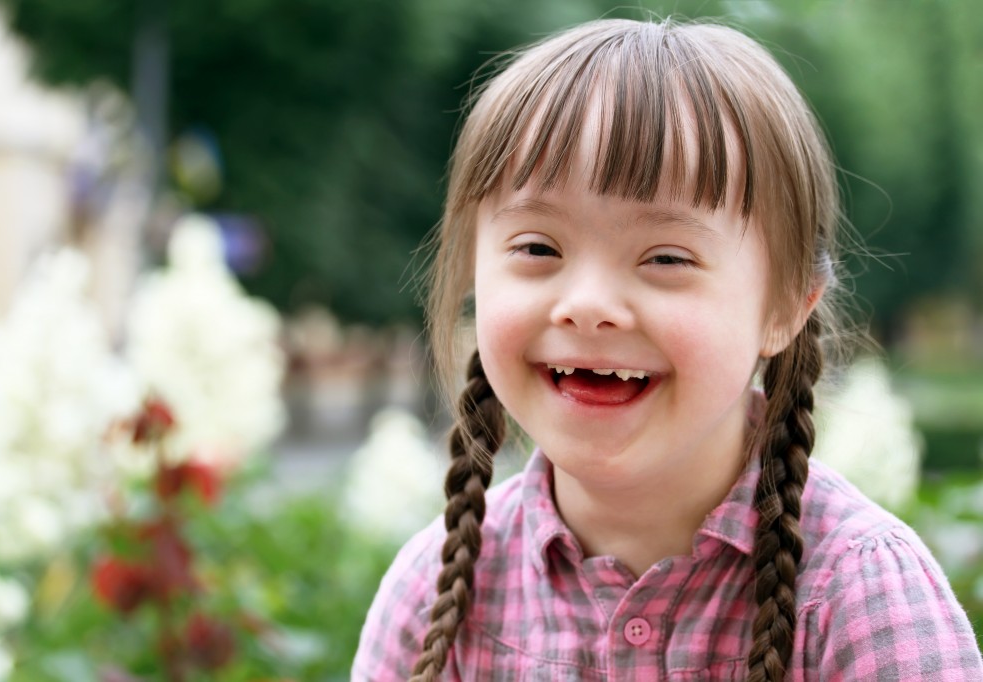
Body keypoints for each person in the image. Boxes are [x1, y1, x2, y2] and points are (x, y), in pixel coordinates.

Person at [352, 18, 983, 682]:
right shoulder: (434, 594)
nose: (588, 304)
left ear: (785, 307)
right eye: (538, 247)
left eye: (665, 256)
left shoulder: (864, 597)